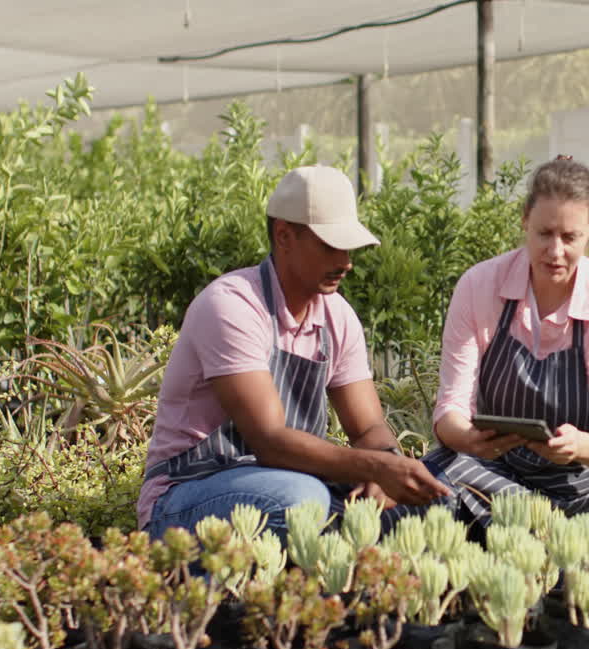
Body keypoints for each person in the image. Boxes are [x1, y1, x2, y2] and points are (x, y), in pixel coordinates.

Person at [138, 165, 451, 541]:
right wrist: (373, 466)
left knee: (433, 503)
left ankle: (342, 593)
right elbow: (269, 440)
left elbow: (368, 427)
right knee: (301, 500)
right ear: (284, 236)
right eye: (330, 246)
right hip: (189, 493)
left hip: (292, 484)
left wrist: (388, 469)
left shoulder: (337, 316)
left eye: (348, 247)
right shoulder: (232, 305)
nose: (346, 262)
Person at [423, 155, 589, 526]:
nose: (556, 251)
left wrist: (582, 447)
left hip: (583, 491)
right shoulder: (480, 287)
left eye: (570, 237)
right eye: (545, 233)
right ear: (524, 220)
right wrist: (468, 438)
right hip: (497, 477)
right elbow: (450, 408)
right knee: (429, 480)